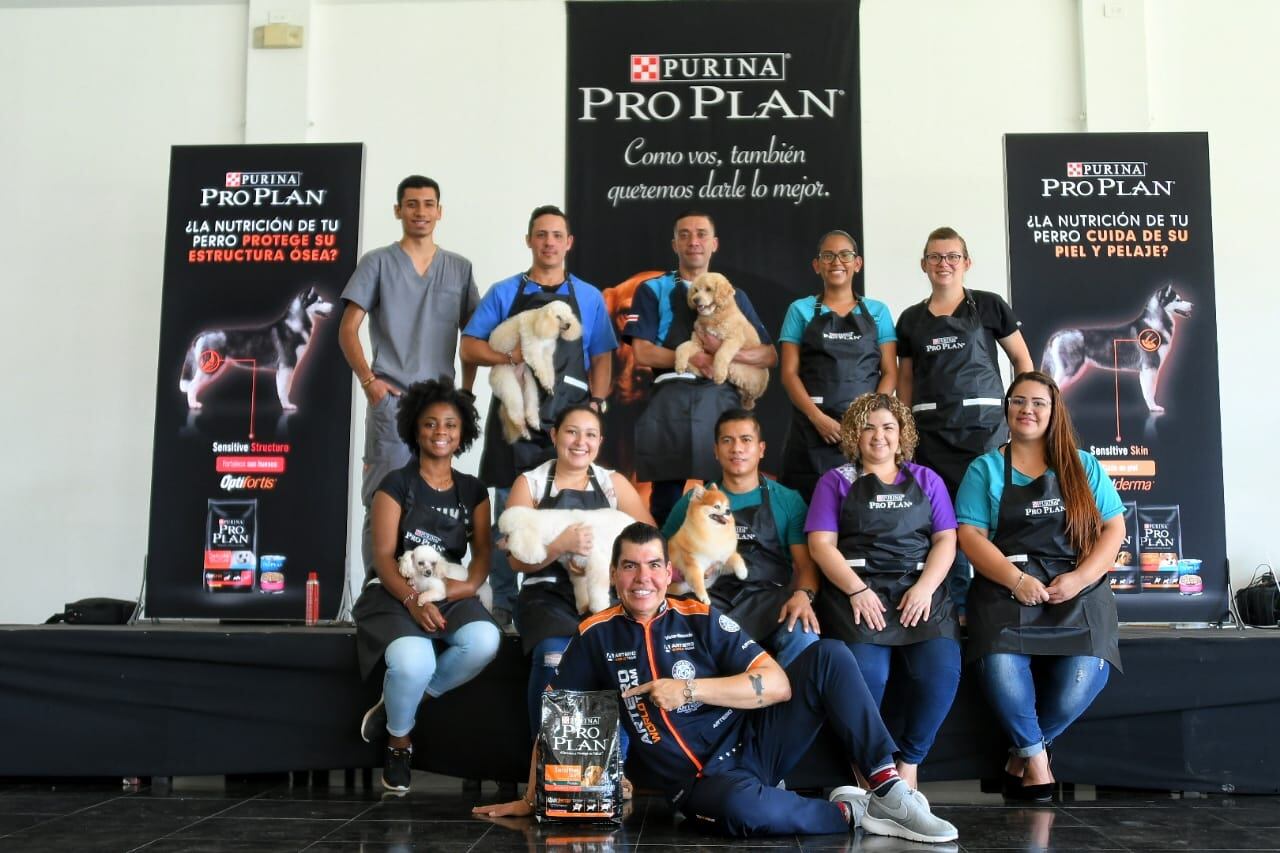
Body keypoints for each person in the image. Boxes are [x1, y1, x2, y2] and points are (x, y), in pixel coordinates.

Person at [473, 523, 958, 843]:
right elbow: (557, 721)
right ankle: (856, 815)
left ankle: (887, 786)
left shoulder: (699, 616)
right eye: (629, 566)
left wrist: (689, 690)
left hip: (756, 740)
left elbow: (777, 684)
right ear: (616, 574)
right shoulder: (594, 634)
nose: (642, 577)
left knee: (828, 654)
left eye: (652, 565)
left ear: (668, 573)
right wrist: (532, 795)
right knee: (741, 812)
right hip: (701, 783)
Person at [956, 371, 1125, 801]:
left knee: (1085, 678)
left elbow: (1114, 529)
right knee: (998, 665)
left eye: (1038, 402)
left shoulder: (1083, 465)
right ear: (1006, 409)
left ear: (1054, 412)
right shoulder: (986, 469)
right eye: (1018, 401)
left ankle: (1022, 755)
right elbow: (970, 537)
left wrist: (1081, 578)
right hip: (1006, 586)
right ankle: (1037, 762)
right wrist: (1016, 580)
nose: (1027, 409)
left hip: (1077, 587)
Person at [461, 205, 617, 629]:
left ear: (569, 243)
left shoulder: (587, 296)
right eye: (541, 235)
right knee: (506, 515)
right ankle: (505, 604)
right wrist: (509, 356)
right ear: (529, 240)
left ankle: (568, 598)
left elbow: (602, 354)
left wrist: (598, 402)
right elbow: (470, 347)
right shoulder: (503, 292)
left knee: (569, 509)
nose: (549, 242)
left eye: (556, 235)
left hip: (569, 419)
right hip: (516, 419)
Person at [805, 393, 961, 790]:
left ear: (902, 434)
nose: (879, 436)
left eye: (888, 427)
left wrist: (925, 588)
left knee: (939, 670)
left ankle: (910, 761)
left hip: (919, 593)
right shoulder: (835, 481)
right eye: (869, 427)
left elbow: (946, 540)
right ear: (855, 435)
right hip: (858, 595)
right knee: (866, 677)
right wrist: (857, 591)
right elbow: (821, 545)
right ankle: (873, 764)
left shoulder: (928, 480)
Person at [353, 379, 501, 792]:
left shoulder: (473, 490)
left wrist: (466, 587)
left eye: (451, 425)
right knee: (414, 662)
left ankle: (407, 701)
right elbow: (382, 556)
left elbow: (484, 554)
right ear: (414, 430)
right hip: (395, 593)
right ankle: (399, 742)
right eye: (431, 424)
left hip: (448, 589)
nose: (441, 432)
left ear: (463, 432)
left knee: (486, 640)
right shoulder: (396, 484)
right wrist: (414, 599)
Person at [340, 175, 481, 579]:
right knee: (384, 499)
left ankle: (433, 592)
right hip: (393, 400)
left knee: (436, 501)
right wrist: (370, 383)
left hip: (439, 407)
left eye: (428, 204)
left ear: (440, 211)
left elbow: (472, 337)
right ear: (398, 210)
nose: (421, 212)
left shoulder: (458, 268)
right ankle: (378, 591)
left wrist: (466, 394)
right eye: (412, 204)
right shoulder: (377, 263)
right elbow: (347, 329)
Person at [896, 226, 1033, 616]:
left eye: (952, 256)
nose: (944, 264)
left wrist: (1021, 413)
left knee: (991, 517)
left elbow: (1023, 362)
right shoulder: (909, 320)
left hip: (986, 433)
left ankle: (1000, 604)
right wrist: (904, 435)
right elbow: (905, 381)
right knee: (946, 523)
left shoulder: (990, 306)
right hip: (931, 438)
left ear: (966, 263)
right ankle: (954, 610)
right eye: (936, 257)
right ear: (924, 264)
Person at [501, 404, 654, 736]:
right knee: (552, 656)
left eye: (590, 434)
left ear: (600, 441)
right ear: (555, 435)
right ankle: (542, 761)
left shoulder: (614, 484)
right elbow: (514, 560)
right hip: (546, 597)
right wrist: (560, 546)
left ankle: (616, 767)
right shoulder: (531, 484)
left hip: (606, 595)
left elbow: (648, 544)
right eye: (571, 432)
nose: (580, 442)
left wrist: (606, 566)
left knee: (624, 664)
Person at [625, 210, 777, 525]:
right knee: (665, 500)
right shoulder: (653, 289)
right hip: (670, 397)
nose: (693, 241)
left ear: (714, 244)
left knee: (723, 497)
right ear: (675, 244)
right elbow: (642, 351)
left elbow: (768, 355)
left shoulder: (735, 295)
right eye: (685, 234)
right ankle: (662, 570)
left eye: (701, 234)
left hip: (721, 397)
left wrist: (723, 354)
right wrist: (697, 359)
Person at [661, 408, 820, 667]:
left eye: (746, 440)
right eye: (727, 440)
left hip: (771, 602)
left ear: (761, 449)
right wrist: (687, 572)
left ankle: (788, 707)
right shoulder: (694, 501)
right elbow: (663, 556)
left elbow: (806, 565)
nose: (737, 448)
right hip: (710, 603)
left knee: (805, 640)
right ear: (715, 450)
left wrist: (804, 595)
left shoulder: (788, 500)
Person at [778, 230, 897, 501]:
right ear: (817, 265)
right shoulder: (800, 310)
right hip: (812, 431)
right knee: (807, 512)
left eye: (845, 255)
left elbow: (890, 372)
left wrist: (868, 422)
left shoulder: (878, 311)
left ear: (858, 263)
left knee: (860, 510)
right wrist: (817, 418)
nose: (836, 262)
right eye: (828, 256)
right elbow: (788, 374)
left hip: (864, 434)